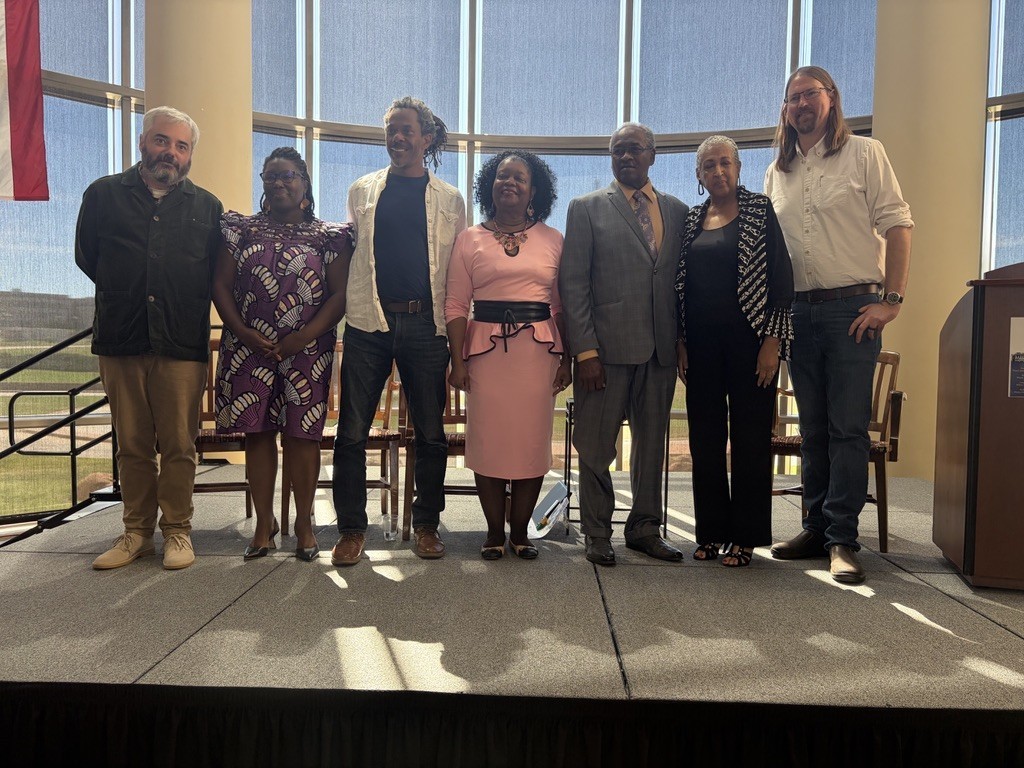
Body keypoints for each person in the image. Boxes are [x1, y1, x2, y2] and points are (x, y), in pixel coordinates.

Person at [764, 66, 913, 584]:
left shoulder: (865, 154)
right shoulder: (776, 171)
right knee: (813, 430)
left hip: (854, 309)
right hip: (798, 314)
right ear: (785, 110)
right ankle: (813, 528)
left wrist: (891, 301)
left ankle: (843, 540)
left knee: (847, 429)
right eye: (792, 98)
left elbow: (898, 225)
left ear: (831, 99)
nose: (801, 104)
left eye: (810, 94)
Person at [75, 106, 223, 571]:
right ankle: (136, 533)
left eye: (181, 146)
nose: (170, 153)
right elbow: (88, 258)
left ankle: (177, 531)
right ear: (143, 143)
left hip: (181, 342)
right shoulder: (102, 195)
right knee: (133, 443)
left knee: (179, 444)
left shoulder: (208, 207)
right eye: (162, 141)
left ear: (190, 155)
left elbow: (214, 273)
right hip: (122, 338)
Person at [331, 97, 466, 566]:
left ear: (425, 138)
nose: (397, 138)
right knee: (351, 432)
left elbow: (456, 274)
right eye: (391, 130)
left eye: (406, 130)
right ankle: (351, 529)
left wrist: (456, 336)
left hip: (427, 327)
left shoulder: (450, 199)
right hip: (370, 322)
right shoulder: (362, 191)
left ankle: (426, 525)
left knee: (430, 434)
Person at [211, 147, 353, 563]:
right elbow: (220, 285)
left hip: (308, 350)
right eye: (270, 175)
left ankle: (304, 524)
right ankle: (263, 525)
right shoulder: (239, 229)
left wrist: (302, 336)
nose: (279, 182)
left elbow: (340, 294)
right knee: (257, 433)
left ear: (305, 183)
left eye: (288, 175)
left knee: (301, 434)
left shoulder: (331, 235)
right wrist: (243, 332)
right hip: (247, 347)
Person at [559, 122, 688, 566]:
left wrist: (681, 342)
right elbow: (573, 285)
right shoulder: (586, 208)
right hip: (604, 355)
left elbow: (683, 286)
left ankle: (645, 529)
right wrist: (586, 352)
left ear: (653, 155)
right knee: (595, 448)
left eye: (634, 150)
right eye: (618, 151)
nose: (626, 157)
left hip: (660, 354)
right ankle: (597, 533)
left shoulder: (679, 212)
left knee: (652, 447)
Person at [445, 150, 571, 560]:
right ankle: (493, 532)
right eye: (502, 176)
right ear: (490, 184)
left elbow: (561, 305)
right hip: (484, 354)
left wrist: (567, 357)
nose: (509, 183)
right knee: (489, 441)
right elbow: (455, 305)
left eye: (519, 178)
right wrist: (457, 360)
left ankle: (522, 533)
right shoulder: (469, 239)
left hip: (537, 355)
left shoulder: (554, 240)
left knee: (531, 442)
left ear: (534, 190)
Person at [675, 135, 794, 568]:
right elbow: (679, 288)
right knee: (705, 441)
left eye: (725, 163)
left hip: (751, 343)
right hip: (701, 347)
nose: (718, 171)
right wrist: (681, 341)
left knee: (749, 439)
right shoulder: (690, 221)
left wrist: (772, 342)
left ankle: (745, 536)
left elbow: (782, 279)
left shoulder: (760, 211)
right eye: (709, 166)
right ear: (699, 175)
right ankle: (710, 531)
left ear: (739, 168)